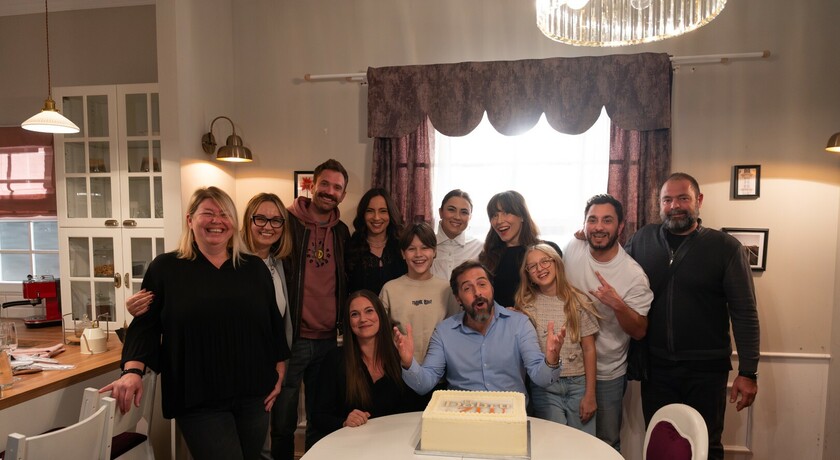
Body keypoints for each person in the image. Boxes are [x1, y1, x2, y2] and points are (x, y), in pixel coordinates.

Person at [104, 186, 290, 460]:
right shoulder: (165, 268)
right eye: (208, 213)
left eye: (224, 214)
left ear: (233, 222)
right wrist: (132, 371)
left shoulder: (254, 268)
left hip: (254, 394)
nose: (217, 220)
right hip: (197, 396)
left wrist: (279, 373)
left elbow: (272, 326)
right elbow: (145, 327)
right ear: (190, 220)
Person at [625, 173, 759, 460]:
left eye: (683, 198)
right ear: (660, 204)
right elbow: (612, 266)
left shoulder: (726, 248)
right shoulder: (642, 240)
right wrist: (586, 241)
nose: (675, 206)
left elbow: (745, 312)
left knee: (706, 445)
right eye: (667, 200)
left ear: (699, 200)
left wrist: (748, 372)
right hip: (657, 369)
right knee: (660, 443)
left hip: (707, 371)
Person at [394, 260, 565, 400]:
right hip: (463, 419)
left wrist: (551, 360)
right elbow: (424, 384)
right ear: (458, 298)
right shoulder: (444, 332)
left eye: (482, 284)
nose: (477, 293)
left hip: (510, 418)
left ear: (492, 288)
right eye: (467, 288)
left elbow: (541, 378)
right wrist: (408, 363)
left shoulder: (519, 324)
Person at [272, 159, 352, 459]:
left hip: (329, 340)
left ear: (343, 194)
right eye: (325, 184)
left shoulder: (342, 232)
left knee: (321, 418)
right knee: (283, 419)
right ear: (312, 185)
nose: (330, 191)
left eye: (337, 187)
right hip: (293, 340)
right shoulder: (287, 222)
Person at [563, 193, 653, 451]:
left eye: (607, 220)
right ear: (584, 224)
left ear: (620, 226)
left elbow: (639, 331)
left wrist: (618, 305)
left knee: (605, 443)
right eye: (592, 220)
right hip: (567, 368)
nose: (599, 227)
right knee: (566, 444)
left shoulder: (633, 275)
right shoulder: (573, 247)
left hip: (606, 373)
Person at [514, 243, 601, 435]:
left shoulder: (578, 301)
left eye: (545, 261)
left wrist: (590, 394)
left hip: (578, 384)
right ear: (528, 274)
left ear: (556, 263)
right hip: (546, 388)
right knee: (554, 441)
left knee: (583, 442)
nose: (540, 268)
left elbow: (589, 349)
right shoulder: (526, 306)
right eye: (532, 266)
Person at [311, 290, 424, 436]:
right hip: (351, 443)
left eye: (369, 311)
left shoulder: (398, 358)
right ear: (348, 322)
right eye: (355, 314)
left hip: (393, 440)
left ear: (380, 315)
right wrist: (344, 422)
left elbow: (414, 410)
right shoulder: (334, 359)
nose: (363, 319)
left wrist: (408, 364)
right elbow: (319, 416)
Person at [380, 222, 460, 364]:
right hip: (401, 368)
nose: (418, 254)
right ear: (403, 253)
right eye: (411, 249)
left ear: (434, 251)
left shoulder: (447, 289)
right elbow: (380, 335)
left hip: (440, 368)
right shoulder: (390, 289)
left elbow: (456, 332)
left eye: (425, 248)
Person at [479, 190, 561, 308]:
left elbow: (561, 292)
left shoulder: (548, 251)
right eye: (494, 215)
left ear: (522, 216)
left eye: (506, 212)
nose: (499, 221)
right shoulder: (487, 256)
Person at [345, 188, 407, 295]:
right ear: (363, 214)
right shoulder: (350, 248)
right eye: (370, 211)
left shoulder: (403, 247)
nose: (376, 217)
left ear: (391, 214)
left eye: (383, 211)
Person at [430, 189, 483, 281]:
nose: (457, 217)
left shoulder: (480, 248)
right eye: (451, 210)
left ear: (470, 217)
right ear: (441, 212)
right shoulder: (425, 245)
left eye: (464, 212)